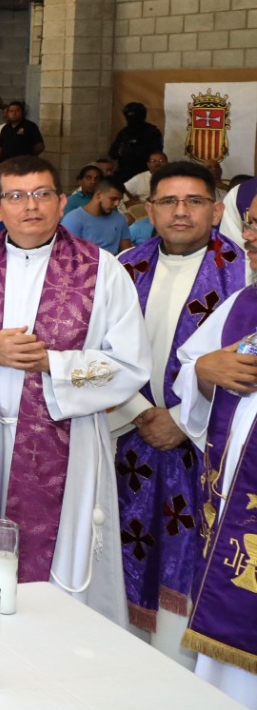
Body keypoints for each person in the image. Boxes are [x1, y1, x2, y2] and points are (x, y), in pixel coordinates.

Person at [0, 155, 150, 623]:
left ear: (62, 202)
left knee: (60, 549)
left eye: (42, 194)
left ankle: (58, 643)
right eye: (16, 197)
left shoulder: (103, 270)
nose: (31, 207)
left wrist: (54, 363)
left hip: (68, 436)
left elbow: (129, 363)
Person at [108, 161, 242, 667]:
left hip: (205, 448)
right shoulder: (122, 268)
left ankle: (181, 674)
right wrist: (142, 412)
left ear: (216, 208)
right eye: (168, 202)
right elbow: (97, 352)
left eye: (193, 202)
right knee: (123, 544)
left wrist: (183, 420)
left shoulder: (244, 273)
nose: (180, 212)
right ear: (149, 210)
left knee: (193, 556)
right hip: (128, 436)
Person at [171, 194, 257, 705]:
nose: (249, 237)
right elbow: (189, 363)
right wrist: (205, 373)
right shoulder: (245, 304)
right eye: (249, 224)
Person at [60, 177, 132, 254]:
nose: (117, 204)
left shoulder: (119, 219)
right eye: (113, 199)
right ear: (98, 195)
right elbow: (67, 256)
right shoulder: (73, 219)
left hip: (114, 264)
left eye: (119, 200)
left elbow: (127, 254)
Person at [110, 101, 164, 183]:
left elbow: (156, 153)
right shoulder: (124, 132)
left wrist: (135, 151)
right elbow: (112, 153)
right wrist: (121, 152)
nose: (132, 119)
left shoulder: (151, 132)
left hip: (144, 172)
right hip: (125, 172)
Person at [0, 100, 43, 165]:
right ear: (7, 113)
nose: (14, 113)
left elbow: (40, 146)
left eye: (17, 111)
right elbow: (0, 148)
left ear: (22, 112)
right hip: (5, 164)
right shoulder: (5, 128)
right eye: (11, 111)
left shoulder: (30, 126)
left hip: (23, 165)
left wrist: (28, 156)